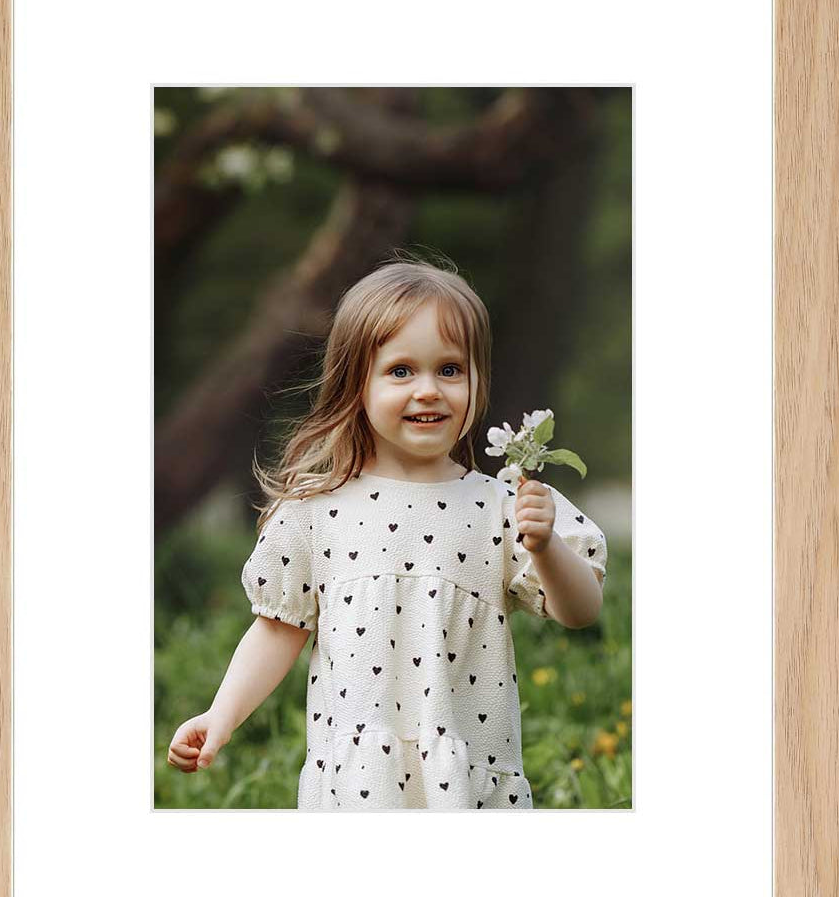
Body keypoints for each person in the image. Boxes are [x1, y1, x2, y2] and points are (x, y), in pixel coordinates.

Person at [167, 255, 608, 809]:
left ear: (477, 380)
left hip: (468, 776)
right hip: (357, 781)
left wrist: (544, 549)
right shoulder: (315, 510)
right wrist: (222, 715)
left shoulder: (501, 504)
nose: (428, 390)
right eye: (402, 371)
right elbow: (278, 629)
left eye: (450, 369)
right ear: (358, 384)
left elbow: (580, 609)